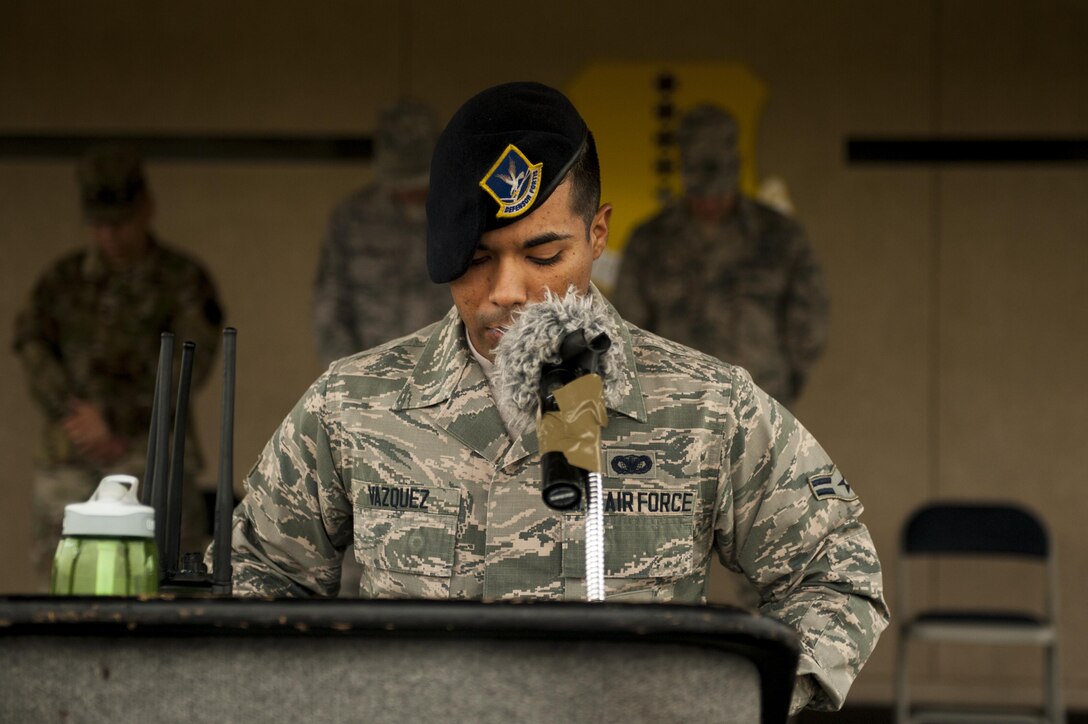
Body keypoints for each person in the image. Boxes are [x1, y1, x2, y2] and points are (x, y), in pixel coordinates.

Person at [222, 83, 887, 714]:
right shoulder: (355, 404)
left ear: (598, 234)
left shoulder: (707, 406)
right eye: (478, 257)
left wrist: (730, 705)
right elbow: (257, 575)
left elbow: (837, 573)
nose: (508, 289)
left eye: (544, 254)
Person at [13, 144, 223, 590]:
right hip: (70, 457)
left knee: (162, 582)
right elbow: (30, 345)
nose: (110, 236)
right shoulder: (62, 280)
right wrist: (74, 414)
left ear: (147, 209)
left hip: (152, 458)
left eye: (121, 223)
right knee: (64, 586)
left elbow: (192, 363)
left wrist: (113, 420)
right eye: (99, 225)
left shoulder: (182, 278)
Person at [611, 104, 829, 408]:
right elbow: (626, 329)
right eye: (702, 194)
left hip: (762, 408)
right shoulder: (650, 241)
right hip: (675, 410)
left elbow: (810, 321)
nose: (711, 204)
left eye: (720, 193)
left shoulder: (779, 237)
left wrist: (784, 384)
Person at [311, 99, 451, 368]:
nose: (409, 192)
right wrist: (352, 375)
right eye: (401, 182)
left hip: (448, 379)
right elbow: (328, 309)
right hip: (368, 382)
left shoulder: (460, 213)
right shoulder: (352, 218)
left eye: (419, 181)